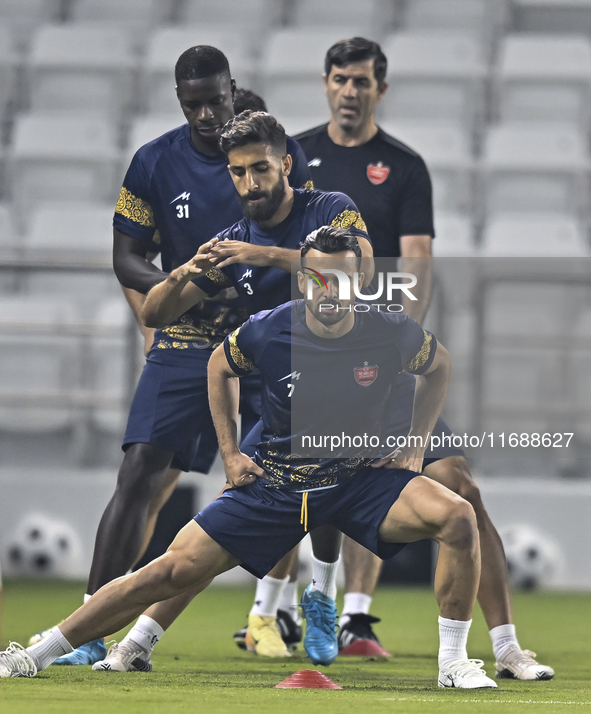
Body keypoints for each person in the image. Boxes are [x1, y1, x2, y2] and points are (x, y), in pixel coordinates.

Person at [0, 227, 499, 690]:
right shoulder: (269, 329)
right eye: (318, 278)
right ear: (304, 279)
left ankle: (453, 662)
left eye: (342, 279)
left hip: (357, 480)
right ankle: (36, 654)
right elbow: (219, 365)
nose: (330, 290)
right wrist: (231, 452)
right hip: (277, 483)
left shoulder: (390, 331)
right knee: (169, 572)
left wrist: (415, 442)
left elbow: (439, 366)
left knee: (457, 516)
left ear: (361, 280)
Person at [235, 36, 554, 682]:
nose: (349, 91)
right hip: (300, 356)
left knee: (457, 485)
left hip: (377, 360)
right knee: (287, 475)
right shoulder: (289, 159)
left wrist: (392, 354)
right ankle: (273, 610)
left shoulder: (402, 167)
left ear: (380, 89)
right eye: (338, 79)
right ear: (324, 83)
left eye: (361, 81)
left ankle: (501, 644)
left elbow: (416, 267)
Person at [45, 46, 311, 666]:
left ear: (232, 89)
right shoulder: (154, 162)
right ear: (179, 101)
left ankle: (275, 608)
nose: (207, 115)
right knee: (140, 471)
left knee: (279, 480)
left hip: (268, 338)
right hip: (189, 338)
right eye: (192, 105)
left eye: (216, 100)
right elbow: (125, 256)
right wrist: (180, 277)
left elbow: (303, 232)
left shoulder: (269, 155)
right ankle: (92, 624)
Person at [85, 110, 373, 671]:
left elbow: (359, 274)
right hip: (270, 378)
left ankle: (323, 592)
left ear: (286, 163)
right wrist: (182, 273)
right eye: (237, 173)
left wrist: (262, 255)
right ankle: (135, 640)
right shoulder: (229, 241)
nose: (249, 184)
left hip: (344, 370)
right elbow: (157, 310)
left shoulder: (331, 209)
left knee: (337, 482)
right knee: (224, 520)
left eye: (259, 169)